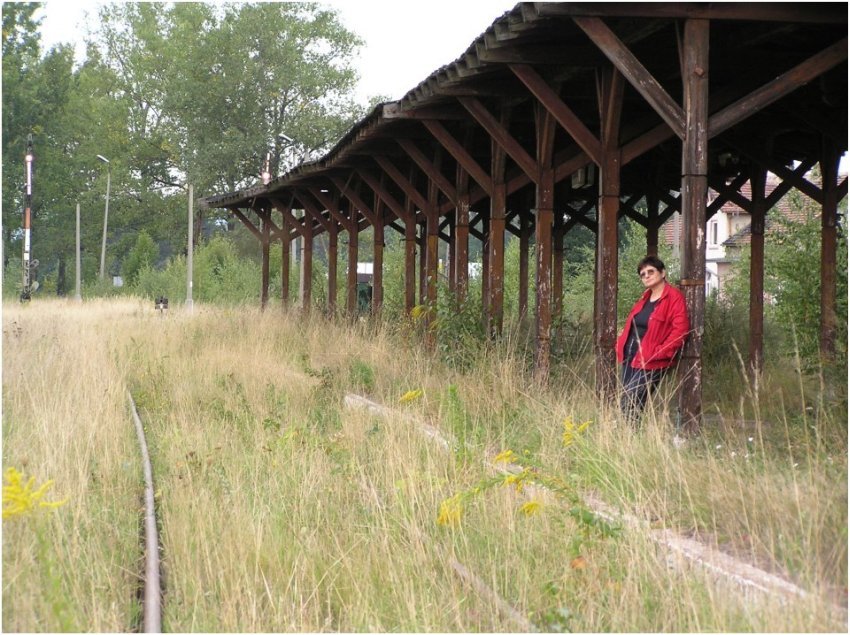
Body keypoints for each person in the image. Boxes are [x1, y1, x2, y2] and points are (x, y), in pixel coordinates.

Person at [615, 256, 690, 423]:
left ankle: (631, 439)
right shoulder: (645, 298)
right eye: (643, 274)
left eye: (651, 272)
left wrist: (660, 352)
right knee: (627, 402)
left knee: (631, 400)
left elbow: (681, 331)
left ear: (662, 273)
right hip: (630, 355)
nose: (646, 276)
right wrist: (621, 341)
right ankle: (630, 441)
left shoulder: (674, 297)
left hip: (652, 359)